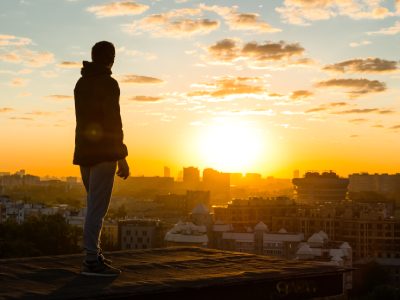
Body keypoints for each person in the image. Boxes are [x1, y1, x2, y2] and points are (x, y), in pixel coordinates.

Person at [73, 41, 129, 276]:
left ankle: (93, 256)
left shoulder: (81, 83)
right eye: (113, 55)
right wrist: (122, 156)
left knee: (92, 206)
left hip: (84, 152)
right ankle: (91, 261)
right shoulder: (108, 83)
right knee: (97, 209)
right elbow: (113, 122)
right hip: (105, 154)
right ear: (110, 58)